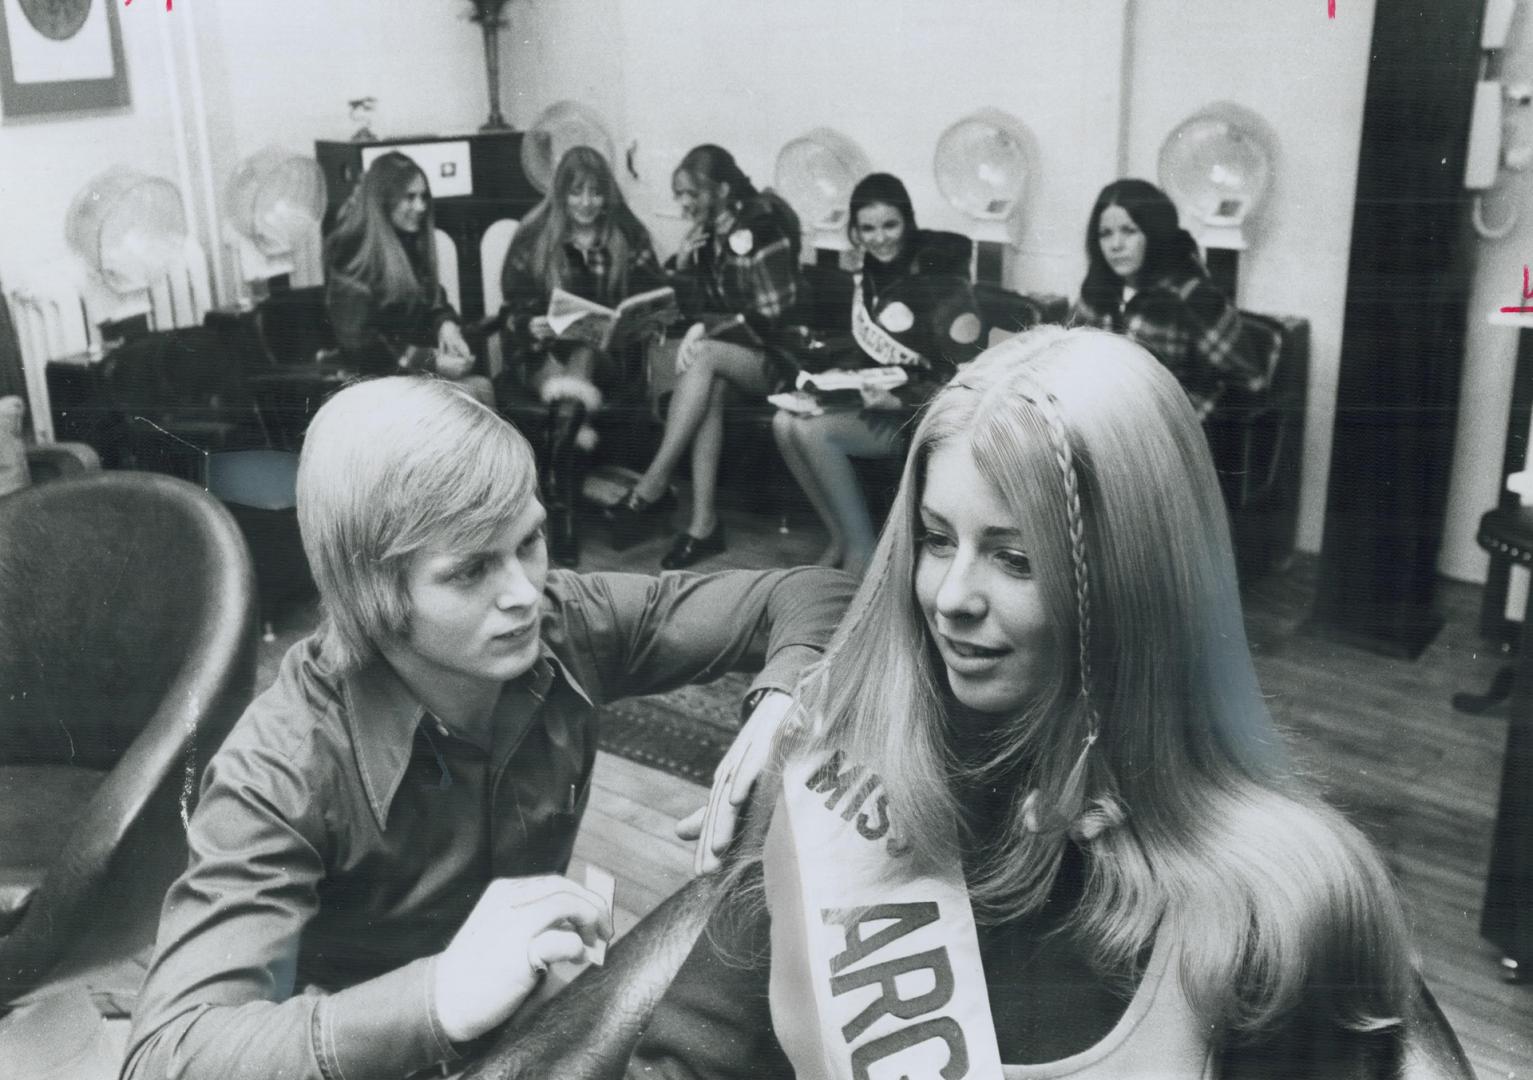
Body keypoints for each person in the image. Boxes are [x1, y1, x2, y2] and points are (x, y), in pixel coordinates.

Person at [627, 328, 1472, 1079]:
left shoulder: (1286, 904)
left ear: (1129, 584)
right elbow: (689, 1059)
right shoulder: (832, 780)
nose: (950, 596)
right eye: (934, 539)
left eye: (1014, 558)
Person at [120, 376, 855, 1080]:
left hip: (532, 1019)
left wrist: (784, 703)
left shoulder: (567, 619)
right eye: (470, 571)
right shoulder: (279, 766)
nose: (523, 594)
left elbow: (813, 591)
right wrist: (435, 997)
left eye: (528, 543)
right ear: (371, 590)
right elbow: (163, 1057)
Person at [772, 173, 983, 577]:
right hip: (883, 402)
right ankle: (842, 538)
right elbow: (872, 347)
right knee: (785, 423)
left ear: (908, 222)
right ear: (854, 230)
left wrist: (901, 400)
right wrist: (837, 375)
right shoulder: (869, 274)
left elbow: (964, 376)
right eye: (867, 228)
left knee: (815, 431)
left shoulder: (941, 277)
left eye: (890, 225)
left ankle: (864, 553)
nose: (879, 238)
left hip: (926, 415)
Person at [610, 144, 807, 570]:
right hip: (732, 361)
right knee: (710, 388)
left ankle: (652, 484)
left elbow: (775, 315)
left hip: (781, 357)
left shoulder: (762, 225)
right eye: (678, 194)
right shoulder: (707, 236)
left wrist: (709, 329)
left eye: (691, 194)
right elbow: (689, 309)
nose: (683, 204)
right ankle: (703, 525)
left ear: (721, 188)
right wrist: (683, 262)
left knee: (703, 357)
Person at [496, 146, 666, 567]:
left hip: (607, 362)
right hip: (541, 356)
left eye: (595, 193)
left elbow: (654, 303)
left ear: (607, 194)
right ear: (561, 194)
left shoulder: (628, 233)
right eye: (577, 193)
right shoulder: (534, 235)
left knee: (587, 352)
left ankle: (559, 504)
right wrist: (530, 325)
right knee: (574, 361)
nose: (587, 203)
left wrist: (635, 322)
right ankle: (563, 497)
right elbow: (513, 308)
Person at [1071, 178, 1264, 419]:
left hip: (1165, 436)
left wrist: (1179, 416)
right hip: (1101, 423)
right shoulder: (1097, 287)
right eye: (1105, 234)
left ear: (1154, 233)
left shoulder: (1194, 298)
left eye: (1129, 231)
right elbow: (1067, 355)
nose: (1116, 245)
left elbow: (1248, 386)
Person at [324, 151, 493, 403]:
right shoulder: (351, 253)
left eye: (424, 197)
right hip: (368, 385)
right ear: (384, 200)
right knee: (477, 393)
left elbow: (433, 300)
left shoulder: (408, 242)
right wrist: (432, 362)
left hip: (403, 376)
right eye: (410, 197)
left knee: (480, 389)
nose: (421, 207)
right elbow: (359, 345)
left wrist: (446, 325)